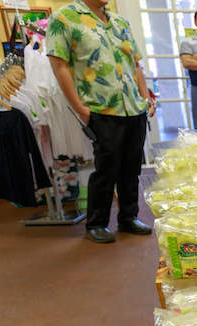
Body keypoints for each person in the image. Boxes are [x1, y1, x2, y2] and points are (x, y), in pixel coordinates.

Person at [47, 0, 154, 244]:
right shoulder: (64, 18)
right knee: (106, 169)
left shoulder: (119, 22)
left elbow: (135, 64)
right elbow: (59, 66)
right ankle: (96, 223)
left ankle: (128, 218)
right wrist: (81, 109)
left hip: (133, 109)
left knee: (131, 168)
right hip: (101, 109)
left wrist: (143, 97)